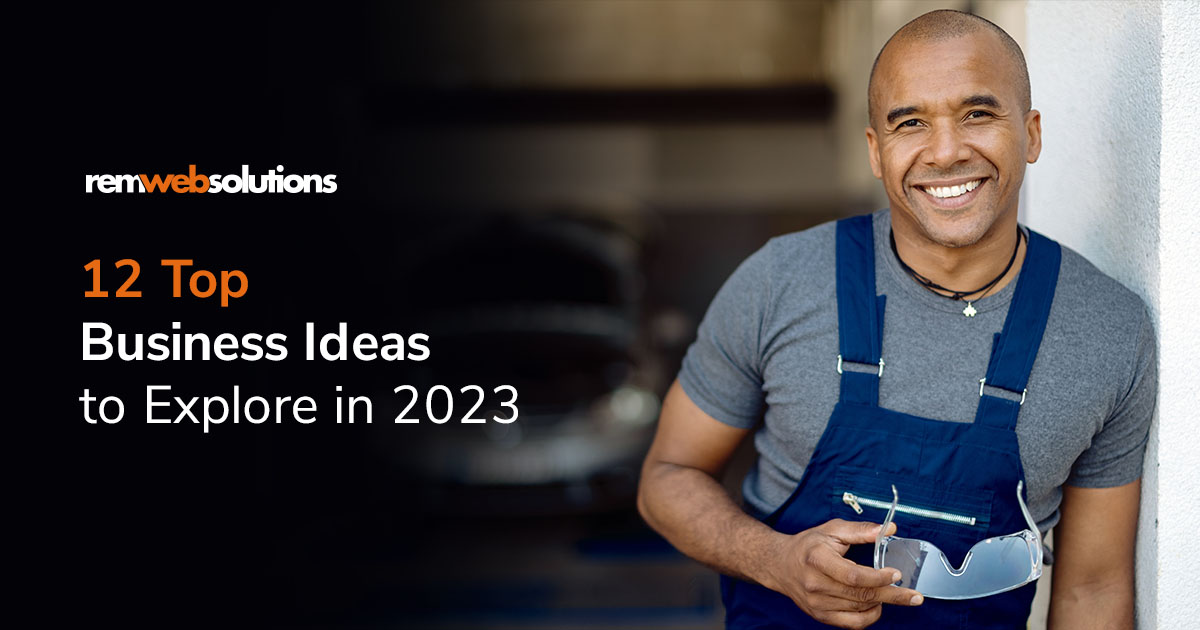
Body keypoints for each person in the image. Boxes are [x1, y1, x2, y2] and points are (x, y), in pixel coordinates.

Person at [637, 10, 1154, 630]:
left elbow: (1092, 592)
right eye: (911, 123)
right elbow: (667, 477)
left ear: (1032, 134)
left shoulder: (1108, 332)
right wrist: (774, 560)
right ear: (876, 152)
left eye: (978, 114)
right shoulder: (781, 281)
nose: (946, 151)